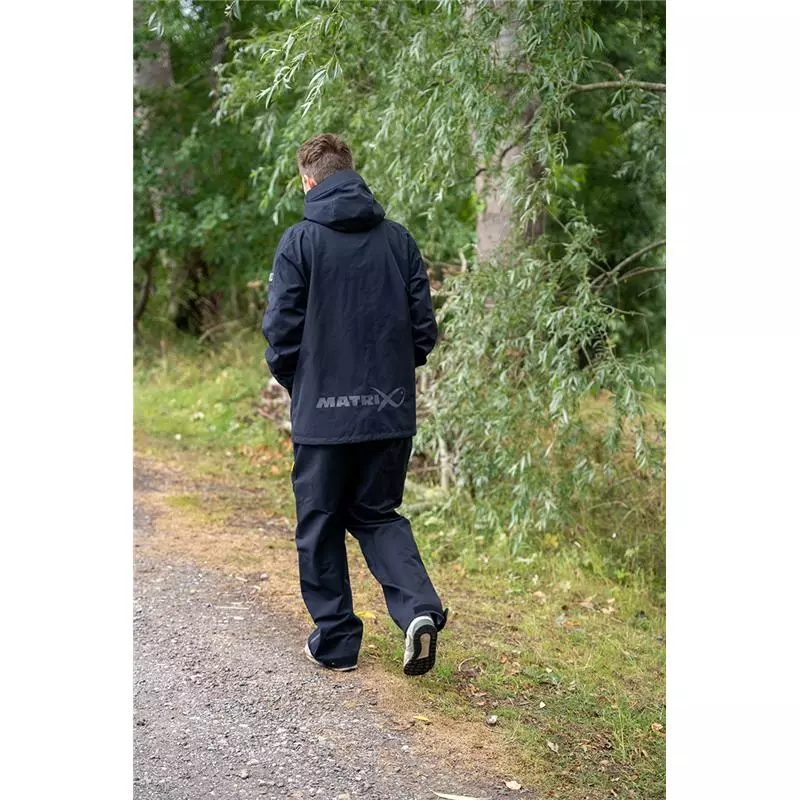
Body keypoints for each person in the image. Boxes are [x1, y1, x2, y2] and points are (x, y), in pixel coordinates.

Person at [262, 133, 447, 676]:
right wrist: (390, 379)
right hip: (389, 413)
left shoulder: (299, 242)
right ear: (352, 173)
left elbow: (281, 332)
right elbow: (423, 331)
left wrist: (304, 385)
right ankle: (418, 611)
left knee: (319, 522)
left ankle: (338, 643)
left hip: (322, 416)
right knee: (376, 514)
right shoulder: (398, 241)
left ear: (308, 181)